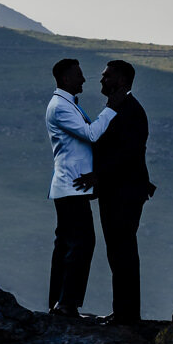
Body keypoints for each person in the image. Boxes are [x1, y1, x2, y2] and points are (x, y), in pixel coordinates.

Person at [74, 59, 154, 326]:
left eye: (107, 77)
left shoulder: (129, 111)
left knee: (122, 251)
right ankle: (124, 311)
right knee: (119, 251)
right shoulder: (121, 108)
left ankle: (126, 314)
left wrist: (98, 175)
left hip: (124, 192)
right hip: (119, 190)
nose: (101, 80)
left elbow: (126, 154)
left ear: (121, 81)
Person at [44, 57, 119, 318]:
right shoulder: (61, 107)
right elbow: (90, 134)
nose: (84, 79)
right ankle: (67, 304)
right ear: (65, 79)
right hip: (71, 187)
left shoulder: (65, 104)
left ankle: (58, 302)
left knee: (65, 245)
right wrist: (111, 108)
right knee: (82, 243)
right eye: (78, 74)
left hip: (69, 187)